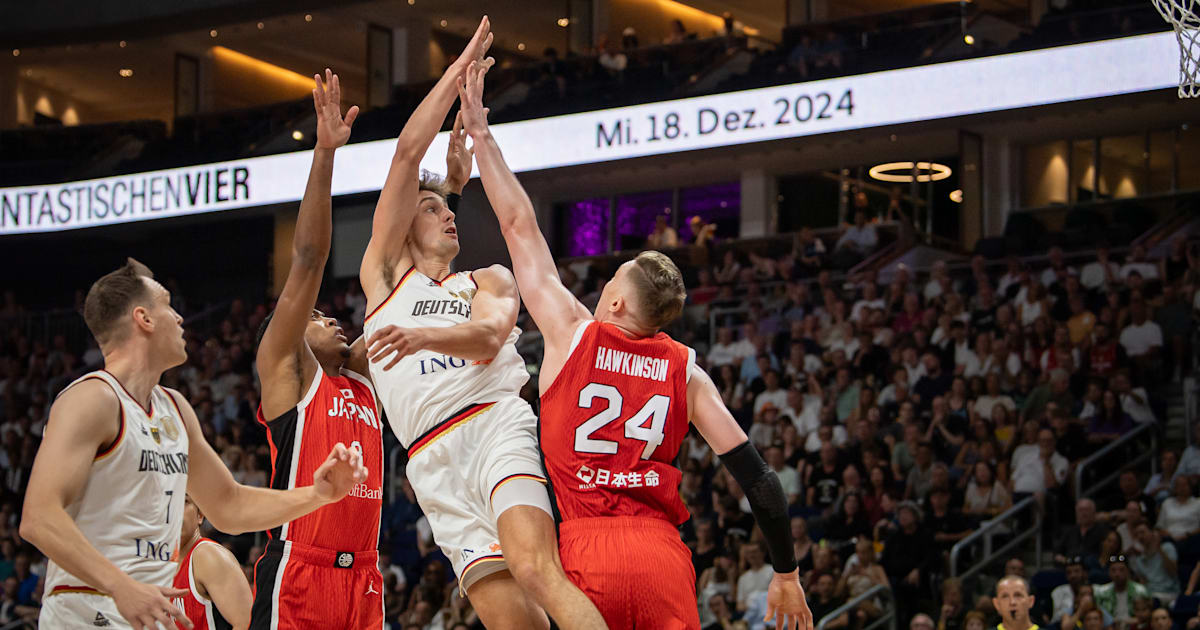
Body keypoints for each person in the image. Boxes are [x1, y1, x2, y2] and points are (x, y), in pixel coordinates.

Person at [457, 55, 811, 629]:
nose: (601, 287)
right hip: (660, 559)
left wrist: (482, 137)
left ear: (618, 303)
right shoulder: (687, 372)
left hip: (584, 555)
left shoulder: (572, 334)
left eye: (611, 280)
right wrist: (788, 574)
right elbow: (760, 481)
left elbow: (520, 226)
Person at [357, 18, 605, 630]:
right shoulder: (385, 279)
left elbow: (491, 338)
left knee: (536, 568)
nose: (447, 214)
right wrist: (455, 70)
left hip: (496, 428)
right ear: (403, 229)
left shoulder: (488, 279)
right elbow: (407, 152)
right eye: (431, 207)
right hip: (429, 460)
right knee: (511, 623)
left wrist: (421, 337)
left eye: (449, 206)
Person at [21, 258, 367, 630]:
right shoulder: (92, 399)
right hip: (88, 609)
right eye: (168, 305)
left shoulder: (175, 408)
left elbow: (229, 506)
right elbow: (39, 518)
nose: (180, 318)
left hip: (151, 607)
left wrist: (317, 495)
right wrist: (121, 586)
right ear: (144, 319)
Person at [250, 69, 386, 629]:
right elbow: (308, 259)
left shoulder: (362, 374)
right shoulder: (288, 369)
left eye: (330, 314)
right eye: (314, 316)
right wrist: (326, 153)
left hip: (366, 579)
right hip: (302, 572)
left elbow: (401, 287)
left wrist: (446, 194)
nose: (327, 315)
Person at [172, 495, 251, 630]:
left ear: (200, 515)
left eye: (184, 501)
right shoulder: (162, 566)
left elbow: (247, 623)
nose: (174, 509)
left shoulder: (207, 555)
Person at [1093, 555, 1149, 626]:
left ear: (1128, 571)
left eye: (1121, 570)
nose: (1117, 574)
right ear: (1109, 572)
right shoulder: (1101, 592)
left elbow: (1147, 617)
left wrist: (1137, 621)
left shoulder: (1140, 591)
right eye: (1113, 570)